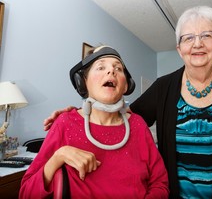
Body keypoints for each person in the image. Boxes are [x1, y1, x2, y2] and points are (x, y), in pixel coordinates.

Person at [43, 6, 212, 199]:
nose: (197, 44)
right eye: (188, 37)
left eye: (207, 35)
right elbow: (120, 115)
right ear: (179, 49)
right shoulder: (163, 87)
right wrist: (79, 112)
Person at [20, 45, 169, 198]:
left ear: (126, 86)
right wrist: (58, 156)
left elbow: (160, 183)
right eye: (100, 67)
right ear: (83, 82)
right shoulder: (64, 123)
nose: (111, 71)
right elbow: (26, 193)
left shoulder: (138, 125)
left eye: (118, 68)